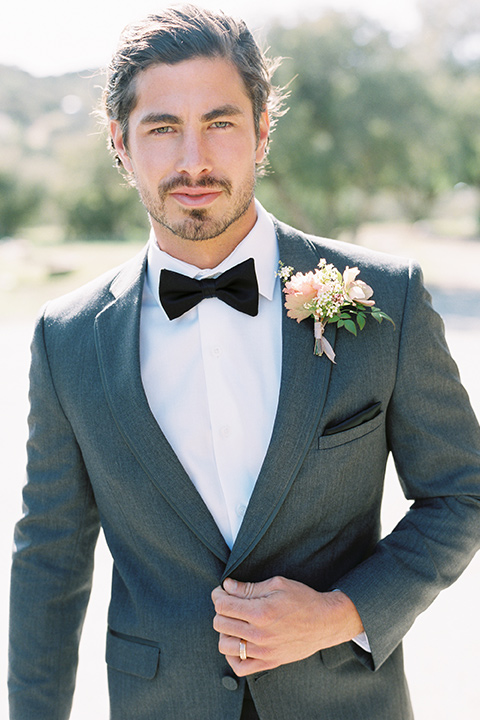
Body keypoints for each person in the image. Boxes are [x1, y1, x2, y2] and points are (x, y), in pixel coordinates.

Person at [8, 6, 480, 720]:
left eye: (220, 123)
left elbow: (461, 493)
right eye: (162, 128)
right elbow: (50, 558)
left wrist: (342, 612)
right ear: (120, 143)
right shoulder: (68, 338)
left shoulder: (389, 299)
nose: (192, 158)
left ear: (262, 131)